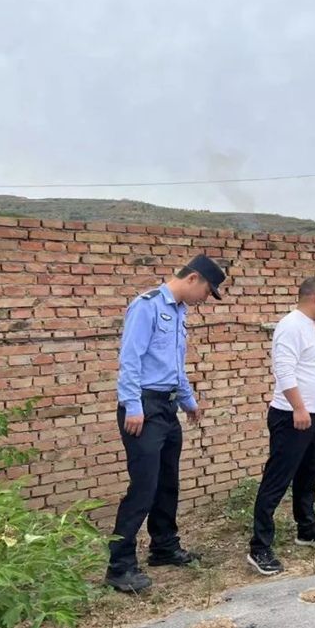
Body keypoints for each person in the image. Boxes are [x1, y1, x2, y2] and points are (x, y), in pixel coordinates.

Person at [106, 254, 227, 593]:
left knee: (167, 482)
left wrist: (188, 401)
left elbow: (174, 365)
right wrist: (132, 405)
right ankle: (119, 566)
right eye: (207, 291)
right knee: (143, 488)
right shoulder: (146, 306)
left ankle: (164, 547)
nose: (206, 298)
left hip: (167, 406)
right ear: (193, 279)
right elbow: (130, 359)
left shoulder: (178, 312)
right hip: (144, 407)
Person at [247, 277, 315, 575]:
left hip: (308, 415)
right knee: (277, 480)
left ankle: (307, 529)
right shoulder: (291, 326)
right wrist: (299, 407)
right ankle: (259, 547)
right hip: (291, 416)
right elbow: (284, 370)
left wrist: (308, 410)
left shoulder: (307, 325)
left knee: (307, 476)